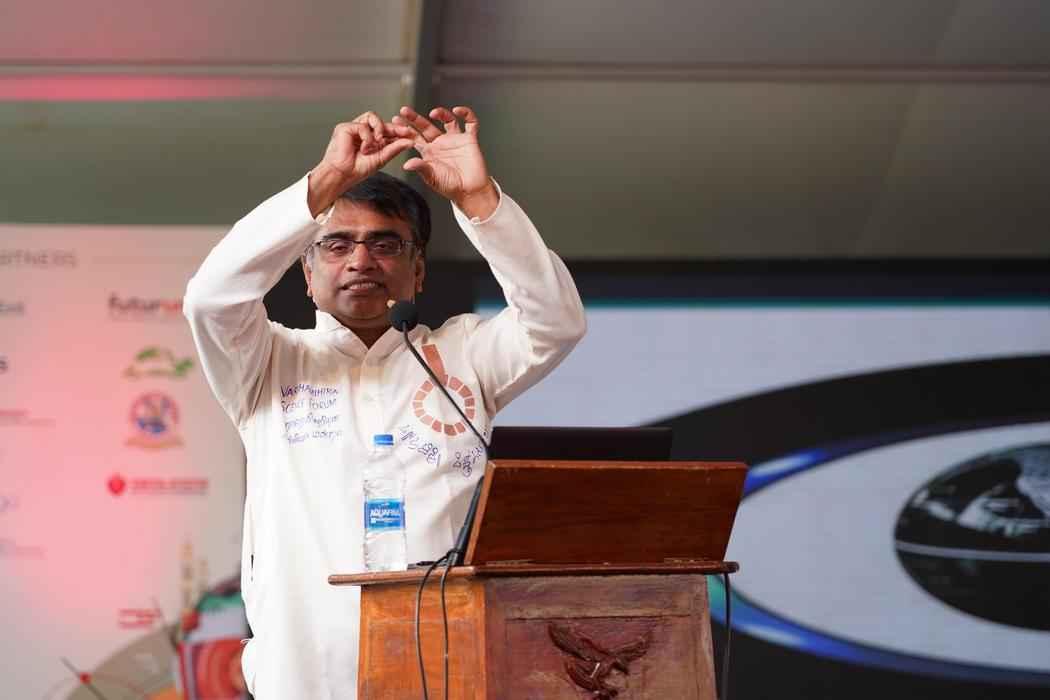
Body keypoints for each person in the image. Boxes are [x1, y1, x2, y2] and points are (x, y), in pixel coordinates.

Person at [183, 105, 586, 698]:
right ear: (306, 273)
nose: (361, 260)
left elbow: (556, 322)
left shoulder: (465, 354)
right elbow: (210, 301)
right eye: (336, 244)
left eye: (385, 244)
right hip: (307, 676)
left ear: (418, 270)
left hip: (446, 669)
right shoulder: (266, 361)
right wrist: (326, 180)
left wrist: (480, 201)